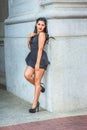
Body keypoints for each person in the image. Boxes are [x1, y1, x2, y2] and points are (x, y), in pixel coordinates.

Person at [24, 17, 50, 113]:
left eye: (42, 25)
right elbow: (30, 47)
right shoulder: (35, 34)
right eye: (39, 24)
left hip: (39, 59)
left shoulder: (42, 35)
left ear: (45, 26)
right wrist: (28, 38)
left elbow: (40, 49)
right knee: (27, 75)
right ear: (36, 24)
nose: (40, 26)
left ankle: (35, 105)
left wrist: (37, 64)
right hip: (32, 57)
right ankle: (40, 87)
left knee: (37, 82)